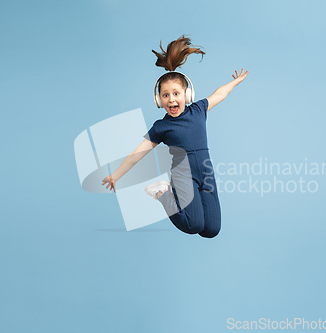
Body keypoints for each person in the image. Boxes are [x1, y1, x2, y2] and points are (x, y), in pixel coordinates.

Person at [102, 35, 248, 238]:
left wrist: (236, 83)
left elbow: (219, 94)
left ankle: (175, 199)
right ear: (158, 100)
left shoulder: (198, 110)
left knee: (211, 230)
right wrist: (115, 175)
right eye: (165, 95)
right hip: (183, 173)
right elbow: (137, 154)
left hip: (206, 171)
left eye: (176, 94)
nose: (171, 99)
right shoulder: (161, 127)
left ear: (187, 95)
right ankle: (162, 193)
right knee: (193, 225)